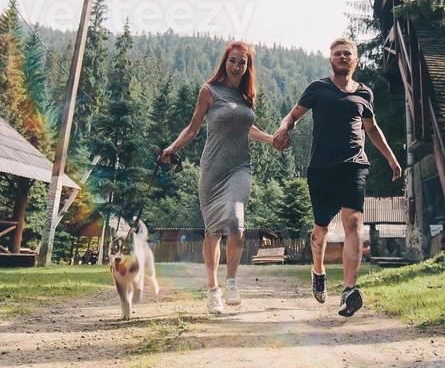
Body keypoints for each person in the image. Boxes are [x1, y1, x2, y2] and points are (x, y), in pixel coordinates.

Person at [273, 37, 402, 317]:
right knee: (321, 228)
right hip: (321, 168)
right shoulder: (318, 89)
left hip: (355, 165)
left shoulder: (365, 93)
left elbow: (372, 129)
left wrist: (391, 158)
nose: (342, 57)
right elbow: (293, 116)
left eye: (347, 54)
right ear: (331, 60)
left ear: (355, 60)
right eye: (337, 54)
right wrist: (284, 129)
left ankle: (348, 290)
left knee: (353, 221)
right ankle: (318, 271)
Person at [160, 41, 278, 314]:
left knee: (236, 223)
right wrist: (171, 149)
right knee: (212, 232)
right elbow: (192, 129)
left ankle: (232, 280)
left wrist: (272, 140)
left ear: (248, 67)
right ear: (225, 62)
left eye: (242, 62)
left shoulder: (247, 96)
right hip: (212, 170)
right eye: (233, 61)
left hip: (240, 168)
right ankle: (213, 290)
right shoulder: (209, 91)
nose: (237, 66)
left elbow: (249, 128)